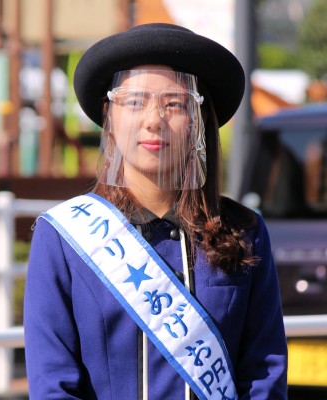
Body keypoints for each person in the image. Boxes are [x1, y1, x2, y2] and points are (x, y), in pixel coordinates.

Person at [24, 23, 288, 399]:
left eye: (174, 104)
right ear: (109, 115)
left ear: (198, 120)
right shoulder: (64, 238)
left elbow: (264, 372)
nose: (153, 120)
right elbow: (53, 384)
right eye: (134, 101)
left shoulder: (244, 230)